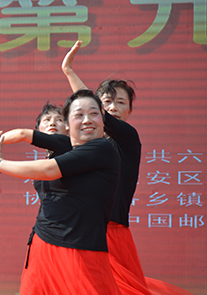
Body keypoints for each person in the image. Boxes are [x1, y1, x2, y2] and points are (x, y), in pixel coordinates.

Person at [62, 41, 194, 295]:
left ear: (130, 110)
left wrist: (69, 71)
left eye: (120, 103)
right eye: (108, 102)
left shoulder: (127, 139)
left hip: (112, 234)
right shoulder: (85, 146)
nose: (113, 108)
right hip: (82, 232)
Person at [0, 89, 122, 294]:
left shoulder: (103, 148)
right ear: (68, 124)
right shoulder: (67, 148)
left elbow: (47, 169)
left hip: (81, 248)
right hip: (43, 241)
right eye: (78, 115)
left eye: (93, 114)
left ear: (103, 119)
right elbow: (30, 139)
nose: (87, 120)